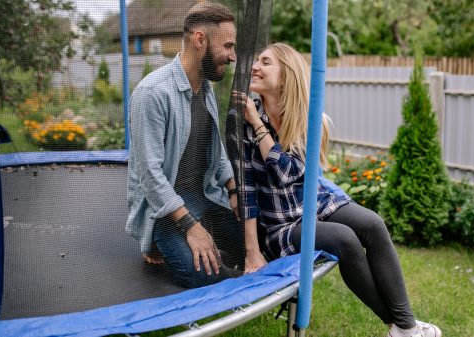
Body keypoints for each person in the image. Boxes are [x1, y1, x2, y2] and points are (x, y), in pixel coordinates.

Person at [238, 43, 442, 337]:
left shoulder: (308, 119)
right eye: (256, 60)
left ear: (286, 75)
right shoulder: (245, 123)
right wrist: (252, 253)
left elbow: (288, 170)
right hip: (281, 225)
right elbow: (250, 190)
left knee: (373, 224)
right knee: (345, 239)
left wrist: (258, 126)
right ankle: (404, 328)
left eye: (265, 62)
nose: (255, 66)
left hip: (313, 202)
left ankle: (404, 325)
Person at [126, 2, 243, 288]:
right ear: (200, 39)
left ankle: (237, 268)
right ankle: (246, 281)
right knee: (201, 272)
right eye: (227, 46)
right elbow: (150, 176)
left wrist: (233, 191)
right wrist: (192, 228)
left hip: (205, 198)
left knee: (256, 240)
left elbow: (217, 153)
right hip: (168, 214)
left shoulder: (206, 88)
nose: (232, 57)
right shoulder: (152, 93)